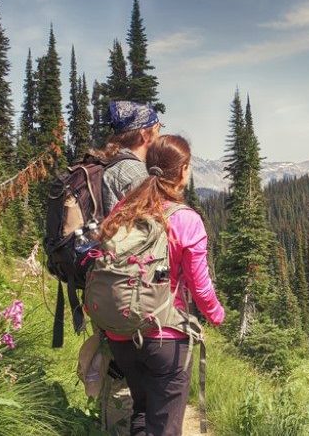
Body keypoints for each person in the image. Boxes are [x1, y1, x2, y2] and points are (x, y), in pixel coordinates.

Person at [97, 134, 225, 436]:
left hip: (122, 332)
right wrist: (217, 315)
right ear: (182, 171)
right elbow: (200, 285)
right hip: (165, 336)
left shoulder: (124, 210)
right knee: (165, 424)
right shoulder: (185, 219)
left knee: (141, 412)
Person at [92, 101, 163, 214]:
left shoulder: (105, 161)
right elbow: (150, 225)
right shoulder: (137, 174)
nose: (159, 137)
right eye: (157, 129)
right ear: (144, 135)